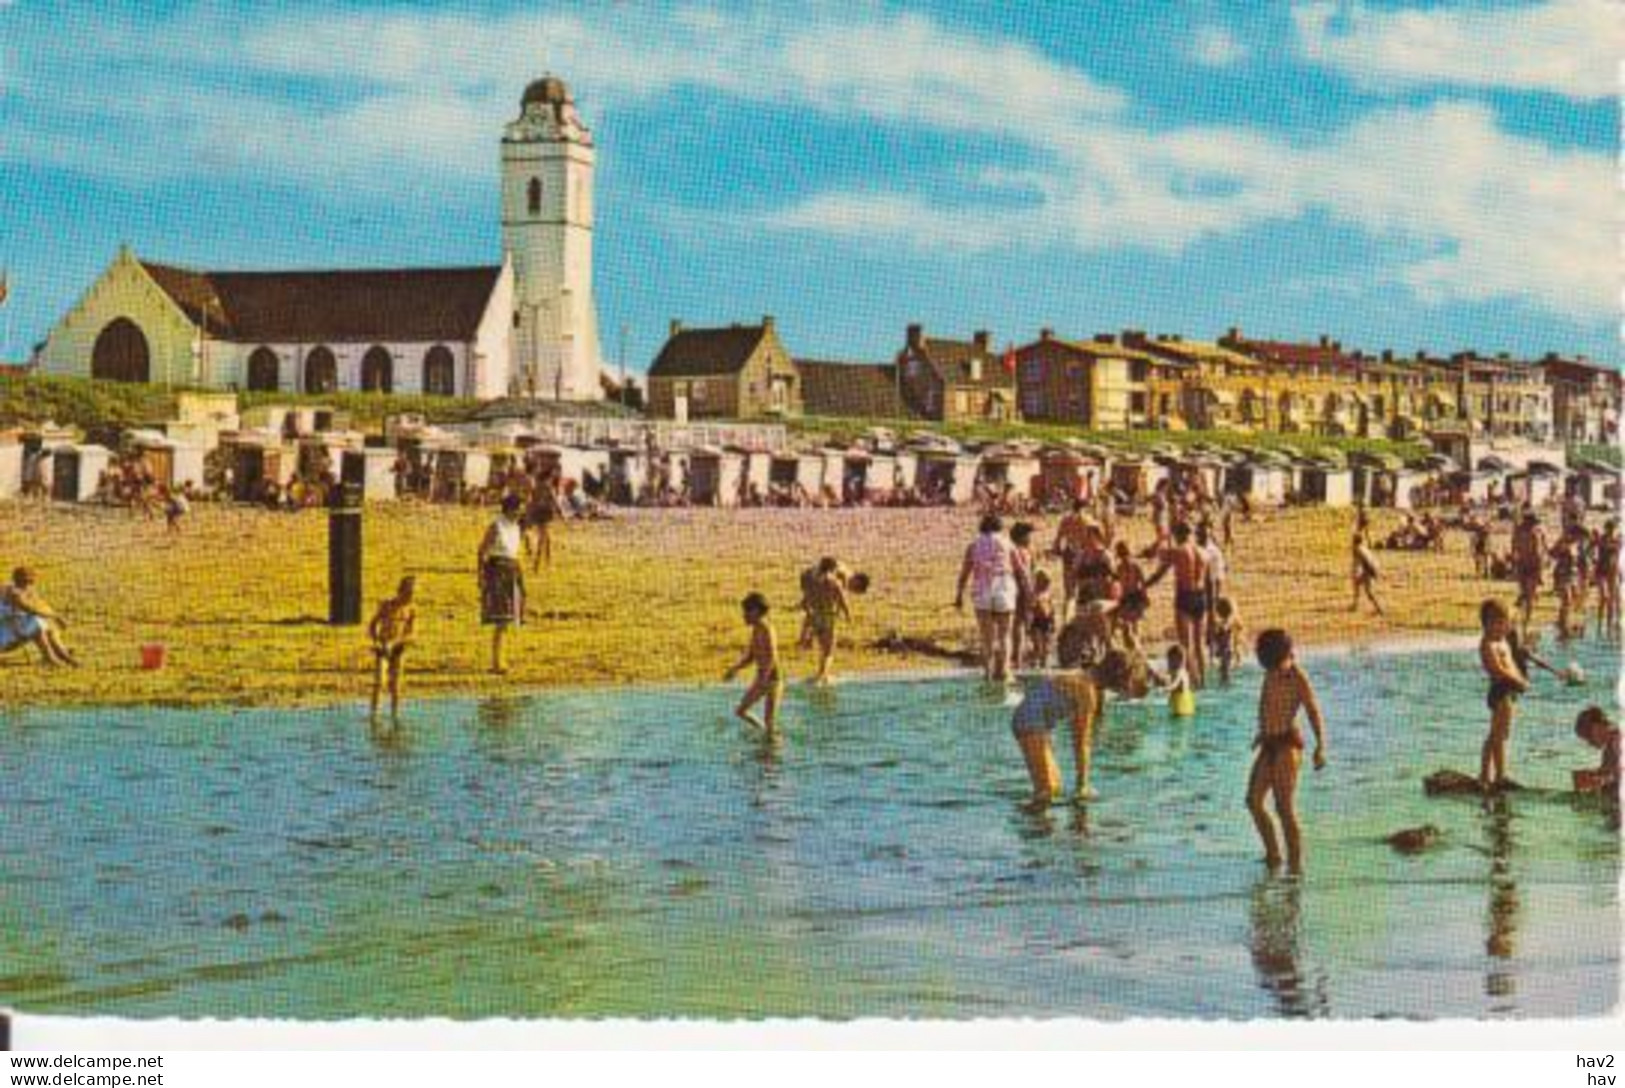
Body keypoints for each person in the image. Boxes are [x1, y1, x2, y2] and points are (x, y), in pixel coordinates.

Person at [1008, 647, 1145, 808]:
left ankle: (1035, 824)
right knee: (1046, 791)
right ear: (1118, 677)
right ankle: (1030, 825)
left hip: (1033, 720)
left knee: (1054, 787)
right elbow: (1081, 743)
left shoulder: (1083, 677)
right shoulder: (1087, 692)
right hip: (1029, 720)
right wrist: (1082, 785)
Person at [1246, 628, 1327, 875]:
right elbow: (1265, 701)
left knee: (1284, 808)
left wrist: (1320, 746)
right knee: (1253, 801)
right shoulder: (1270, 672)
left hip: (1287, 746)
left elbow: (1313, 710)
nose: (1268, 669)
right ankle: (1273, 854)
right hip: (1269, 743)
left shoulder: (1296, 676)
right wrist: (1261, 731)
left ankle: (1295, 867)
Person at [1145, 521, 1209, 688]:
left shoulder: (1177, 552)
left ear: (1177, 535)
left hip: (1185, 597)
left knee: (1185, 645)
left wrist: (1143, 586)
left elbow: (1159, 574)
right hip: (1201, 597)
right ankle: (1203, 682)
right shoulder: (1204, 552)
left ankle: (1189, 684)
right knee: (1199, 644)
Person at [956, 515, 1018, 683]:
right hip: (1003, 587)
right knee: (1005, 635)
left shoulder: (973, 545)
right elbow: (1020, 569)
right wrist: (1028, 590)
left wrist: (959, 595)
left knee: (987, 637)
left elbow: (965, 572)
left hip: (982, 589)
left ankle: (988, 674)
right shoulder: (1007, 543)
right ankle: (1005, 672)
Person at [478, 494, 532, 675]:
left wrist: (521, 577)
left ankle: (501, 659)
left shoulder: (516, 527)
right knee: (501, 619)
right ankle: (497, 662)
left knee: (508, 619)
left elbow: (516, 553)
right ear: (510, 509)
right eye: (519, 508)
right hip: (498, 570)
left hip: (512, 570)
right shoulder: (496, 526)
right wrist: (481, 576)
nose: (521, 512)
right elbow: (482, 551)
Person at [1478, 599, 1528, 791]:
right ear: (1485, 624)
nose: (1500, 627)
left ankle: (1493, 774)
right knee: (1496, 735)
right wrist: (1518, 681)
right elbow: (1498, 669)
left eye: (1502, 623)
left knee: (1501, 734)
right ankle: (1491, 775)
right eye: (1495, 623)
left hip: (1509, 690)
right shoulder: (1488, 644)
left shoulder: (1502, 640)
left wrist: (1519, 678)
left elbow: (1512, 665)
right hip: (1500, 690)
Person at [799, 558, 866, 685]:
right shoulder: (835, 583)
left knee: (821, 646)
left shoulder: (813, 582)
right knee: (828, 651)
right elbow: (842, 601)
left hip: (815, 617)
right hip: (828, 617)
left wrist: (807, 612)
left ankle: (818, 672)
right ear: (832, 569)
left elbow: (806, 601)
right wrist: (848, 615)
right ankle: (821, 677)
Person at [725, 592, 783, 737]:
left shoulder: (767, 629)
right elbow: (751, 656)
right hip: (764, 679)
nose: (744, 616)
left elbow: (772, 656)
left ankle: (771, 743)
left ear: (756, 611)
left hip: (772, 680)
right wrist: (735, 669)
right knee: (742, 712)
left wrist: (763, 680)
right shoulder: (756, 629)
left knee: (768, 720)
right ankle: (765, 735)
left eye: (746, 612)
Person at [0, 567, 78, 667]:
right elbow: (31, 609)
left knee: (46, 626)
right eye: (28, 581)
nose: (30, 585)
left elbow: (40, 605)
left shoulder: (21, 589)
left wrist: (53, 615)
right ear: (21, 581)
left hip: (12, 631)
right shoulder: (14, 593)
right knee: (35, 623)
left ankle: (62, 653)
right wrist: (56, 617)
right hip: (4, 637)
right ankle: (50, 658)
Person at [367, 576, 418, 722]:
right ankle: (374, 716)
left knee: (396, 685)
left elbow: (411, 633)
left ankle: (395, 717)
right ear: (401, 591)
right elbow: (373, 625)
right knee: (379, 682)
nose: (410, 597)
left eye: (412, 594)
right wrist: (377, 641)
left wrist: (396, 642)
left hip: (398, 648)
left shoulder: (411, 610)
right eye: (409, 593)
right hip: (383, 647)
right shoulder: (387, 605)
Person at [1571, 707, 1620, 803]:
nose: (1589, 742)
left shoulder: (1617, 741)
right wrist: (1591, 776)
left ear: (1598, 726)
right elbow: (1607, 771)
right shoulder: (1609, 747)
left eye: (1589, 736)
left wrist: (1597, 779)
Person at [1008, 522, 1038, 672]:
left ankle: (1022, 656)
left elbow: (1033, 572)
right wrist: (1030, 591)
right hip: (1021, 590)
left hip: (1024, 589)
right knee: (1021, 624)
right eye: (1028, 534)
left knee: (1023, 624)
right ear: (1021, 536)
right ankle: (1020, 657)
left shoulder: (1027, 551)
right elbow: (1026, 574)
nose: (1031, 537)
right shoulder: (1018, 551)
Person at [1510, 512, 1546, 635]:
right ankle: (1525, 622)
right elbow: (1538, 553)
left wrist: (1514, 563)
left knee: (1526, 594)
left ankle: (1522, 621)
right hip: (1531, 566)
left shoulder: (1520, 531)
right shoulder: (1533, 533)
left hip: (1524, 565)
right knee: (1528, 595)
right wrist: (1540, 572)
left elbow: (1514, 547)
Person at [1350, 510, 1384, 616]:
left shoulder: (1359, 549)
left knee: (1369, 592)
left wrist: (1373, 572)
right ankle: (1355, 605)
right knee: (1356, 584)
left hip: (1368, 570)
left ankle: (1380, 609)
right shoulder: (1361, 546)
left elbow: (1368, 561)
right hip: (1366, 569)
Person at [1209, 595, 1244, 686]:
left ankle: (1225, 683)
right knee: (1224, 670)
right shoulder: (1231, 622)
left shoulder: (1224, 624)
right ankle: (1225, 682)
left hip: (1225, 650)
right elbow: (1238, 631)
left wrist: (1215, 632)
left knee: (1224, 670)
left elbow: (1220, 635)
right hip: (1227, 650)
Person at [1027, 569, 1056, 668]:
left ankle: (1044, 662)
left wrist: (1053, 621)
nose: (1046, 584)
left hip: (1047, 621)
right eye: (1044, 582)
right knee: (1037, 644)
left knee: (1046, 643)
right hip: (1036, 621)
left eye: (1047, 582)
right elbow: (1031, 608)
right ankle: (1034, 662)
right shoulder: (1034, 593)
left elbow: (1052, 608)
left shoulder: (1048, 593)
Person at [1162, 644, 1196, 718]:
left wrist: (1166, 689)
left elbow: (1175, 684)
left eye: (1170, 661)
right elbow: (1166, 679)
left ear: (1178, 660)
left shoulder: (1180, 672)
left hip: (1182, 712)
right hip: (1184, 711)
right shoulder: (1179, 672)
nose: (1168, 664)